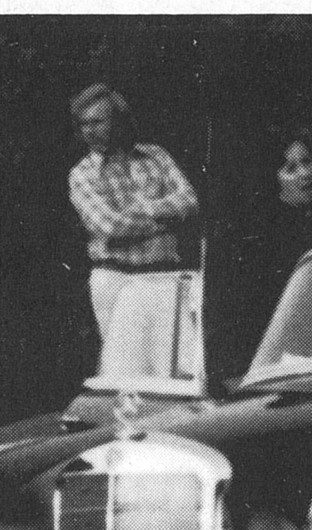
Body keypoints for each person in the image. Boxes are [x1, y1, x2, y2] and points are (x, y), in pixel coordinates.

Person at [67, 83, 199, 375]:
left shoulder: (156, 156)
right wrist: (164, 219)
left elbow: (189, 200)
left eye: (98, 122)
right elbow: (110, 225)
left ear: (119, 120)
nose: (89, 131)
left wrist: (141, 211)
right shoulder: (81, 174)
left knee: (178, 369)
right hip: (117, 278)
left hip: (165, 275)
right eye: (84, 124)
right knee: (127, 371)